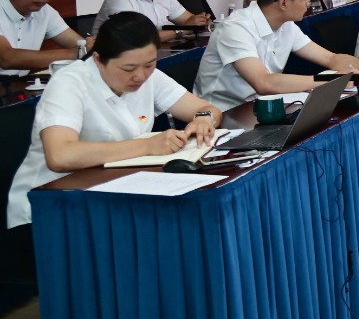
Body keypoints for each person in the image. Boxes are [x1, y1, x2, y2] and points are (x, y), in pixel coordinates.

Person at [6, 13, 221, 234]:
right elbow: (60, 156)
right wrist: (147, 146)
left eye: (149, 64)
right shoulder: (69, 83)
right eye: (128, 69)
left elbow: (206, 108)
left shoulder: (149, 76)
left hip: (111, 196)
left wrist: (203, 119)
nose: (140, 76)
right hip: (48, 210)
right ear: (98, 59)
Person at [195, 0, 359, 111]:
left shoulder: (287, 26)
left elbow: (330, 58)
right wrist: (330, 82)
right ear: (284, 2)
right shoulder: (236, 28)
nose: (309, 3)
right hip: (223, 117)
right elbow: (263, 82)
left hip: (261, 108)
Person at [0, 0, 88, 77]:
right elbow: (7, 58)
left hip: (21, 85)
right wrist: (76, 53)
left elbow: (80, 44)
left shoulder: (45, 11)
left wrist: (89, 46)